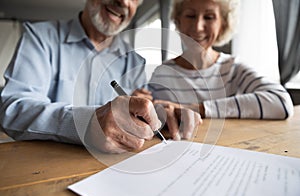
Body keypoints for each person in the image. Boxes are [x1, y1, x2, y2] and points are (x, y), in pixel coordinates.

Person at [0, 0, 201, 153]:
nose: (123, 1)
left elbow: (137, 116)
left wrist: (158, 115)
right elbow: (13, 109)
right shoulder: (39, 38)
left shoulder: (135, 62)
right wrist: (85, 122)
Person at [148, 0, 294, 119]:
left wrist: (199, 109)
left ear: (223, 25)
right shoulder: (160, 73)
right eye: (190, 16)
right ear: (178, 21)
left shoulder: (233, 68)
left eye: (209, 17)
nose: (198, 27)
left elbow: (282, 102)